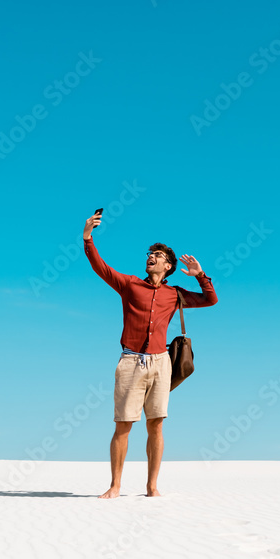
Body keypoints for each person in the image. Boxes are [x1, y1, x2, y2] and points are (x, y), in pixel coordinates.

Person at [82, 210, 218, 498]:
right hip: (130, 361)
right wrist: (88, 237)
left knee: (156, 425)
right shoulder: (131, 284)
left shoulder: (175, 294)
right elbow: (101, 268)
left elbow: (210, 300)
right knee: (123, 425)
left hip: (161, 362)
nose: (151, 257)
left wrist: (200, 275)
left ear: (168, 265)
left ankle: (152, 486)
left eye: (157, 255)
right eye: (149, 253)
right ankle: (115, 485)